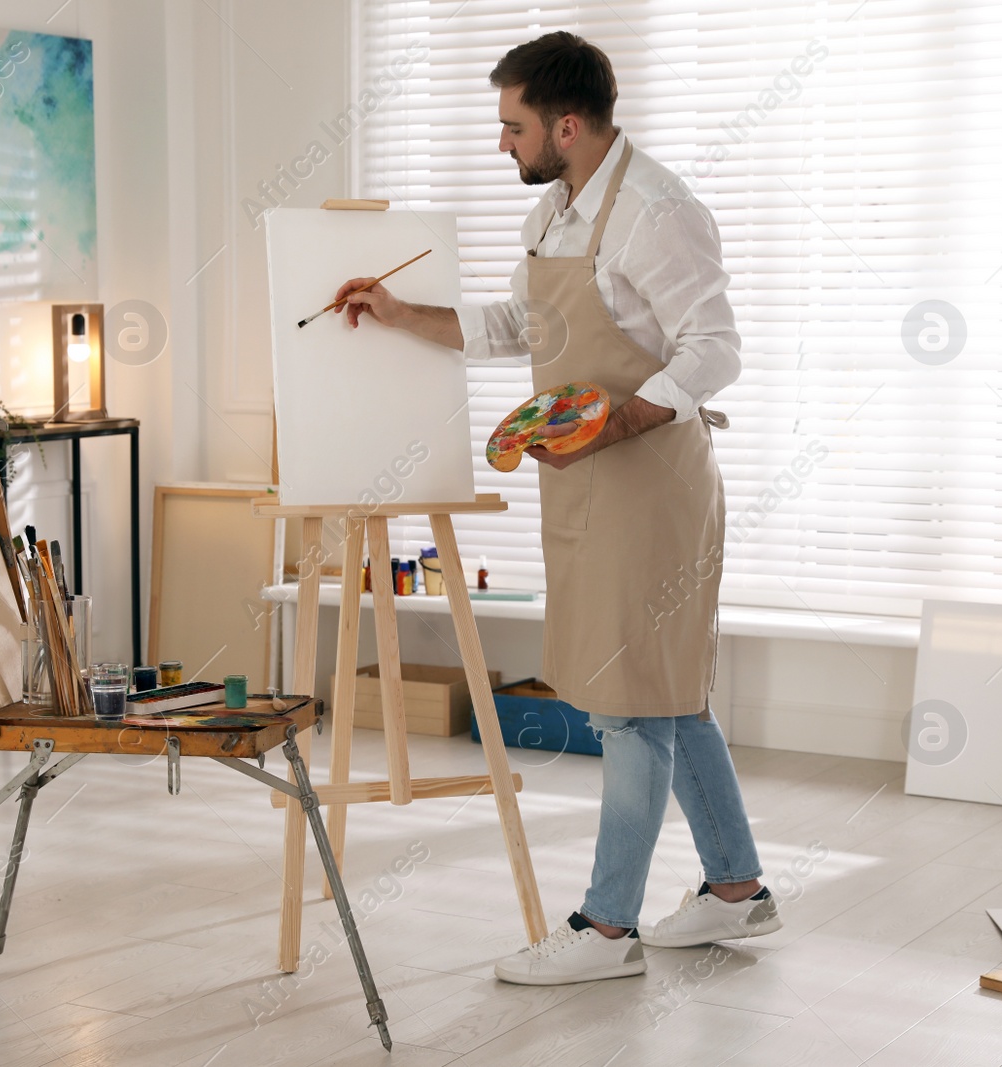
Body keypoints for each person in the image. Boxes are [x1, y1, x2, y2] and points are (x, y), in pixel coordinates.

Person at [332, 31, 780, 985]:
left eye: (513, 126)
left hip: (651, 483)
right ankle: (736, 888)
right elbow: (517, 326)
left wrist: (617, 422)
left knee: (629, 705)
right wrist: (401, 312)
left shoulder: (657, 210)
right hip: (585, 479)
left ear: (566, 126)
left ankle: (606, 931)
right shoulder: (556, 213)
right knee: (668, 691)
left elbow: (715, 347)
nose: (503, 142)